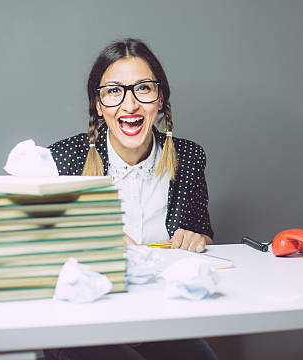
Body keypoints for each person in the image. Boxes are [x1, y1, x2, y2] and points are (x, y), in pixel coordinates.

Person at [44, 38, 217, 360]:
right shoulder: (62, 160)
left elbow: (200, 230)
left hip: (162, 313)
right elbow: (40, 247)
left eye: (144, 89)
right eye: (113, 91)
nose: (130, 105)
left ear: (160, 98)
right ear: (98, 104)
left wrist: (196, 237)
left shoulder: (189, 156)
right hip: (85, 317)